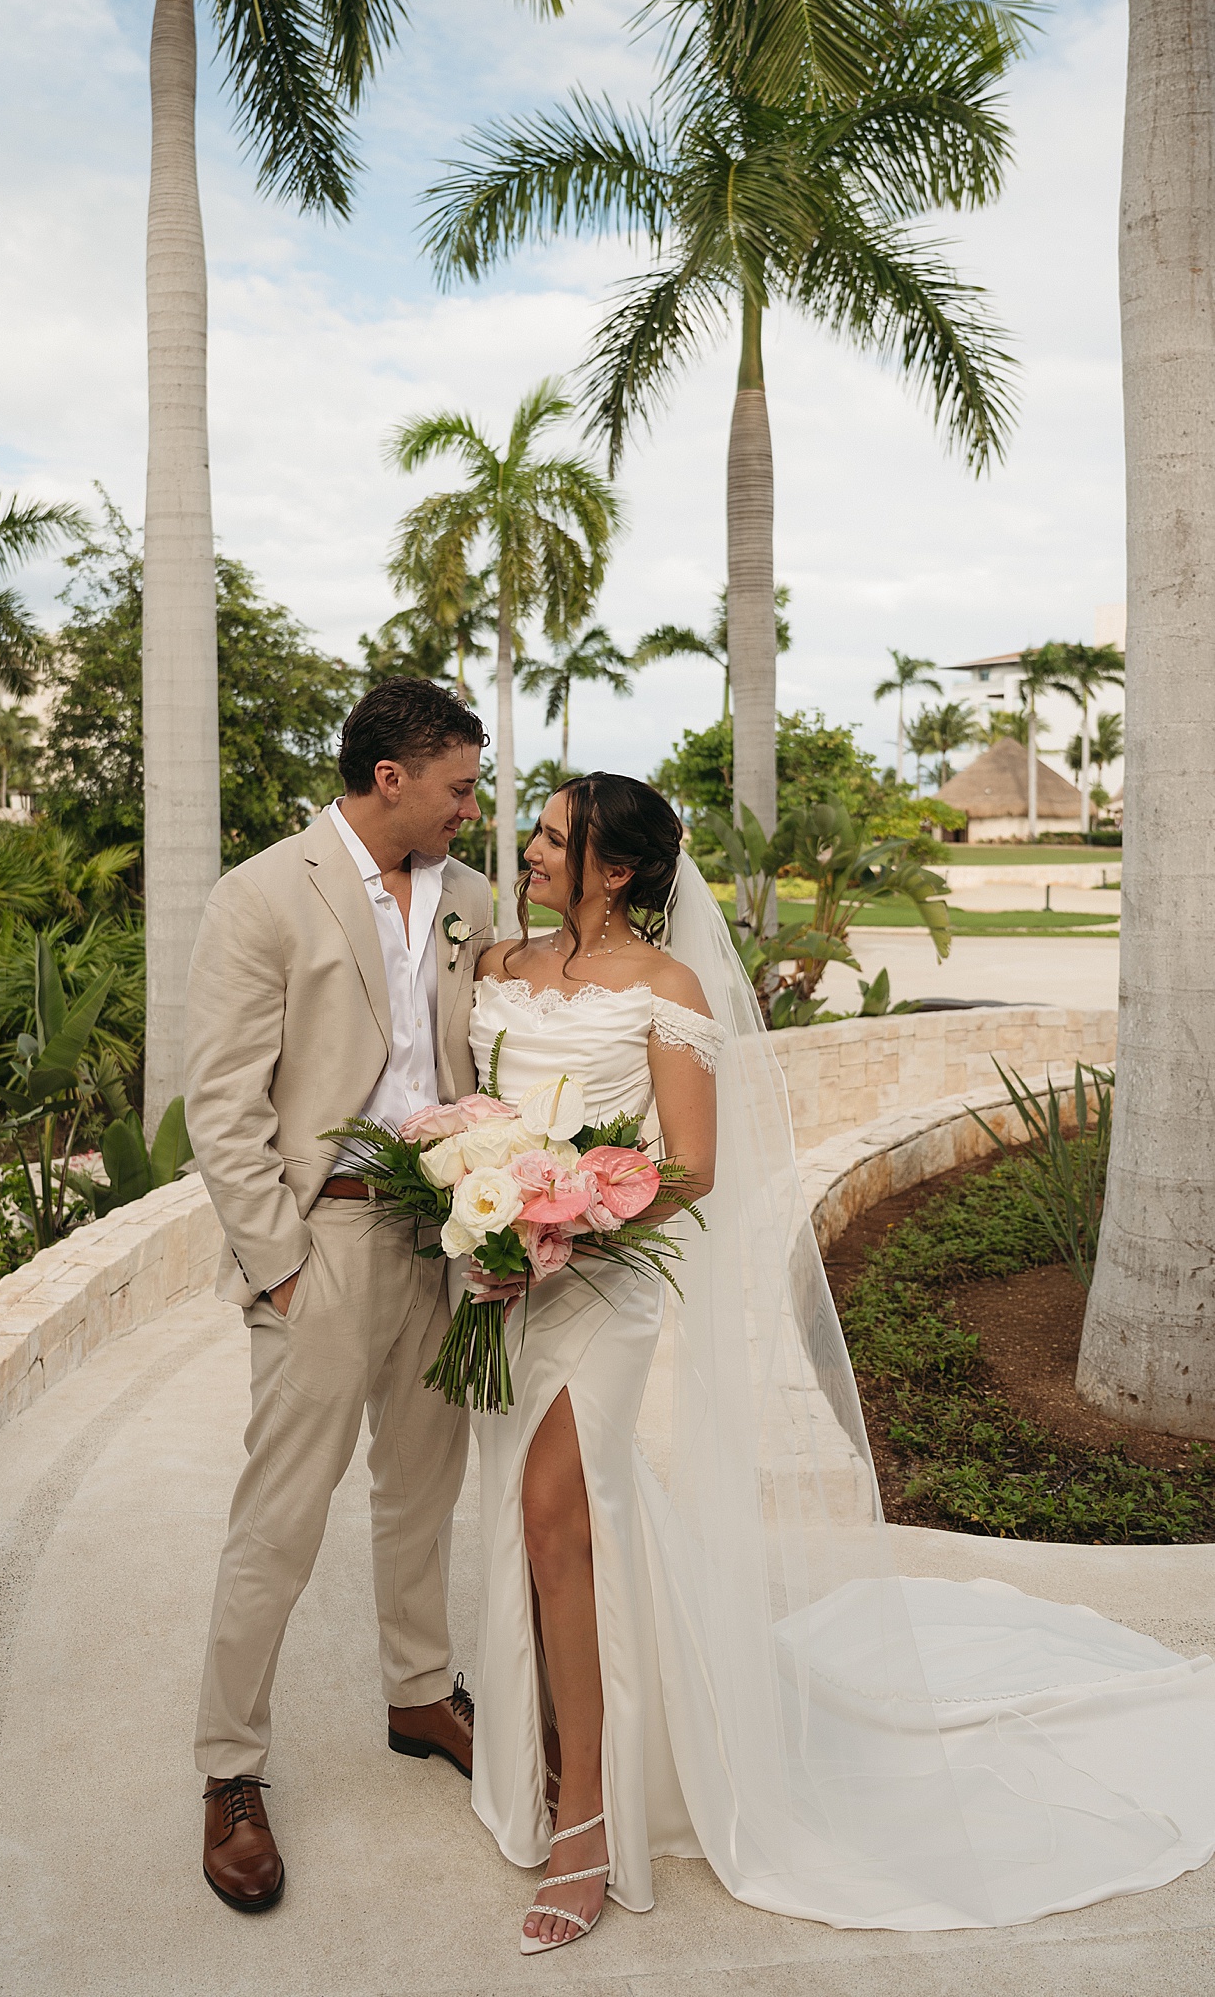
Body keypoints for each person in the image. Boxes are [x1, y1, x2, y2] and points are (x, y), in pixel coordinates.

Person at [463, 771, 1215, 1955]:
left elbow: (694, 1165)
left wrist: (560, 1229)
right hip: (499, 1278)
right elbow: (477, 1116)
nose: (532, 848)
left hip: (599, 1284)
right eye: (538, 831)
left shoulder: (668, 989)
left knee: (560, 1514)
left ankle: (588, 1822)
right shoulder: (497, 967)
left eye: (558, 837)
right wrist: (481, 1205)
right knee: (533, 1518)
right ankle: (570, 1736)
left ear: (616, 870)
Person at [184, 676, 495, 1913]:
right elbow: (223, 1100)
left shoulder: (471, 897)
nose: (473, 808)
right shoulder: (262, 893)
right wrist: (282, 1265)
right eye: (459, 787)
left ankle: (420, 1693)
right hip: (326, 1240)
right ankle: (228, 1768)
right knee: (281, 1520)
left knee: (425, 1489)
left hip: (448, 1234)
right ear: (391, 781)